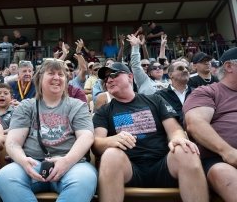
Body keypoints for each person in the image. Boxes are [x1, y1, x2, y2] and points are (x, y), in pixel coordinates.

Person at [92, 62, 208, 202]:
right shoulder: (104, 111)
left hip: (163, 164)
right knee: (110, 155)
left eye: (114, 75)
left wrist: (178, 138)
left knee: (185, 149)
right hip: (129, 169)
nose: (109, 80)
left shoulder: (155, 100)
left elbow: (175, 130)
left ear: (130, 77)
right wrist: (110, 140)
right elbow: (97, 143)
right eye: (105, 79)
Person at [0, 59, 97, 202]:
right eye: (51, 73)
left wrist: (67, 161)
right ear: (39, 78)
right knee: (6, 177)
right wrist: (23, 161)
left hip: (72, 165)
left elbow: (86, 137)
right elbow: (13, 142)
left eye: (61, 75)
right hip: (33, 164)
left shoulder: (78, 106)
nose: (57, 78)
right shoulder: (26, 106)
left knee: (84, 180)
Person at [183, 47, 237, 202]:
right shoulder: (207, 92)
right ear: (228, 66)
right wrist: (228, 152)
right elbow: (195, 123)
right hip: (222, 159)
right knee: (223, 174)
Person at [156, 60, 192, 126]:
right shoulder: (160, 96)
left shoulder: (197, 93)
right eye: (180, 68)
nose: (185, 70)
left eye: (187, 68)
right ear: (170, 74)